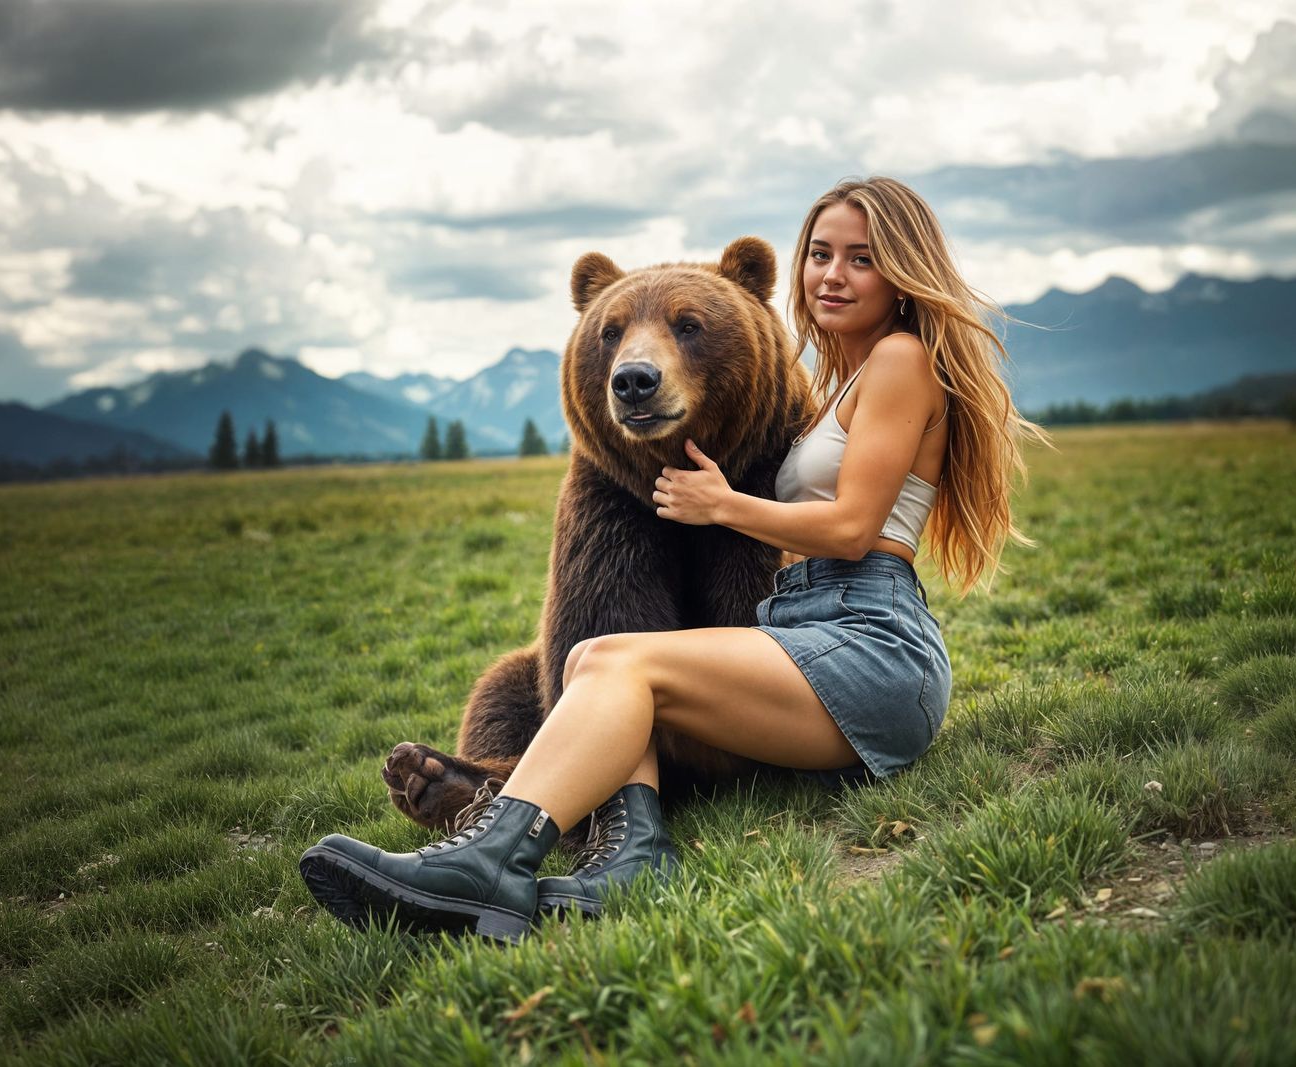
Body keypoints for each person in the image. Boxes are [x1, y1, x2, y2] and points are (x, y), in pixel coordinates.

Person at [299, 176, 1049, 943]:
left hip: (867, 647)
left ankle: (487, 855)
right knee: (585, 658)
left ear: (899, 271)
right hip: (814, 633)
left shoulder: (898, 360)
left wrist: (720, 503)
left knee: (619, 665)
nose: (832, 273)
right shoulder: (834, 383)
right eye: (820, 254)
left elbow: (854, 529)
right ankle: (617, 851)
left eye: (861, 258)